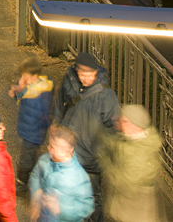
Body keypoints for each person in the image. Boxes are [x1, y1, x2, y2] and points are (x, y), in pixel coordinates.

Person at [52, 50, 121, 222]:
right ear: (77, 71)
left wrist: (103, 151)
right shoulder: (69, 79)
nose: (86, 78)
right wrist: (56, 122)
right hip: (70, 150)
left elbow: (113, 128)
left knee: (93, 194)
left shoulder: (106, 95)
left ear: (96, 72)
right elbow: (62, 101)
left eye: (90, 74)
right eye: (83, 74)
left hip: (91, 154)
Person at [101, 104, 163, 222]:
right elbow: (118, 145)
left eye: (124, 121)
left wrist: (105, 164)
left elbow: (127, 181)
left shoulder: (141, 153)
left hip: (135, 211)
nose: (120, 123)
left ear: (135, 125)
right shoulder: (133, 139)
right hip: (127, 208)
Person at [29, 125, 94, 222]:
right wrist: (36, 193)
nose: (51, 150)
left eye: (59, 147)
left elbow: (87, 207)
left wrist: (61, 210)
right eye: (51, 146)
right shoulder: (44, 160)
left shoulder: (79, 176)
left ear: (70, 149)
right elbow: (35, 176)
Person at [9, 58, 54, 194]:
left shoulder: (42, 92)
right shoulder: (29, 87)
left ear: (34, 76)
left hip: (34, 131)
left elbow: (45, 111)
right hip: (28, 128)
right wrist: (18, 89)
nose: (22, 78)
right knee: (33, 155)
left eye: (25, 76)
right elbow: (18, 97)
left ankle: (22, 183)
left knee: (25, 158)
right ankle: (37, 179)